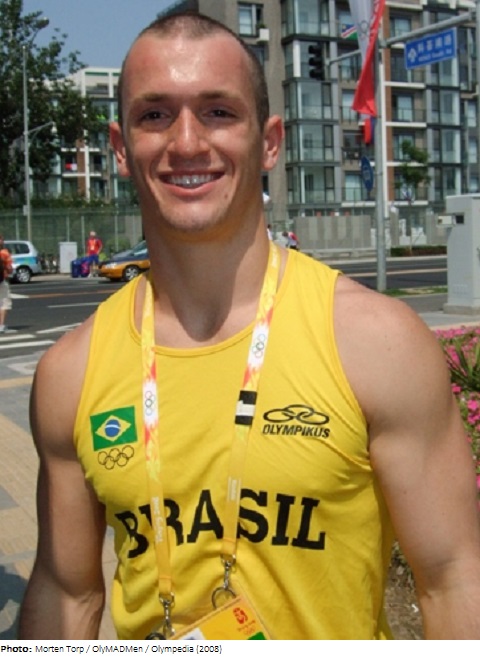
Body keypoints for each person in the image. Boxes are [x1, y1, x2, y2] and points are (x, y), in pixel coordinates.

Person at [20, 12, 480, 641]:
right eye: (155, 114)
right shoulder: (70, 373)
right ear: (121, 148)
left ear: (269, 142)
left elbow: (454, 577)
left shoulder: (378, 342)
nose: (186, 141)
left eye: (218, 112)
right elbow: (66, 591)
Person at [0, 235, 13, 333]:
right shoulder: (4, 253)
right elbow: (9, 269)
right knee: (4, 303)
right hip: (1, 281)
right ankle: (1, 325)